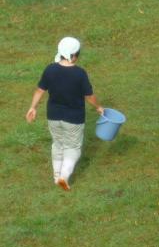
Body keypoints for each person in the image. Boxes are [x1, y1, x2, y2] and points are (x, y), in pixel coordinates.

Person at [26, 37, 104, 191]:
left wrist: (32, 107)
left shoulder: (50, 69)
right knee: (72, 147)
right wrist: (98, 107)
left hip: (53, 115)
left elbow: (40, 90)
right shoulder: (79, 73)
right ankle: (64, 176)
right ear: (75, 55)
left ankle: (56, 175)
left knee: (58, 144)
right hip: (73, 118)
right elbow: (89, 96)